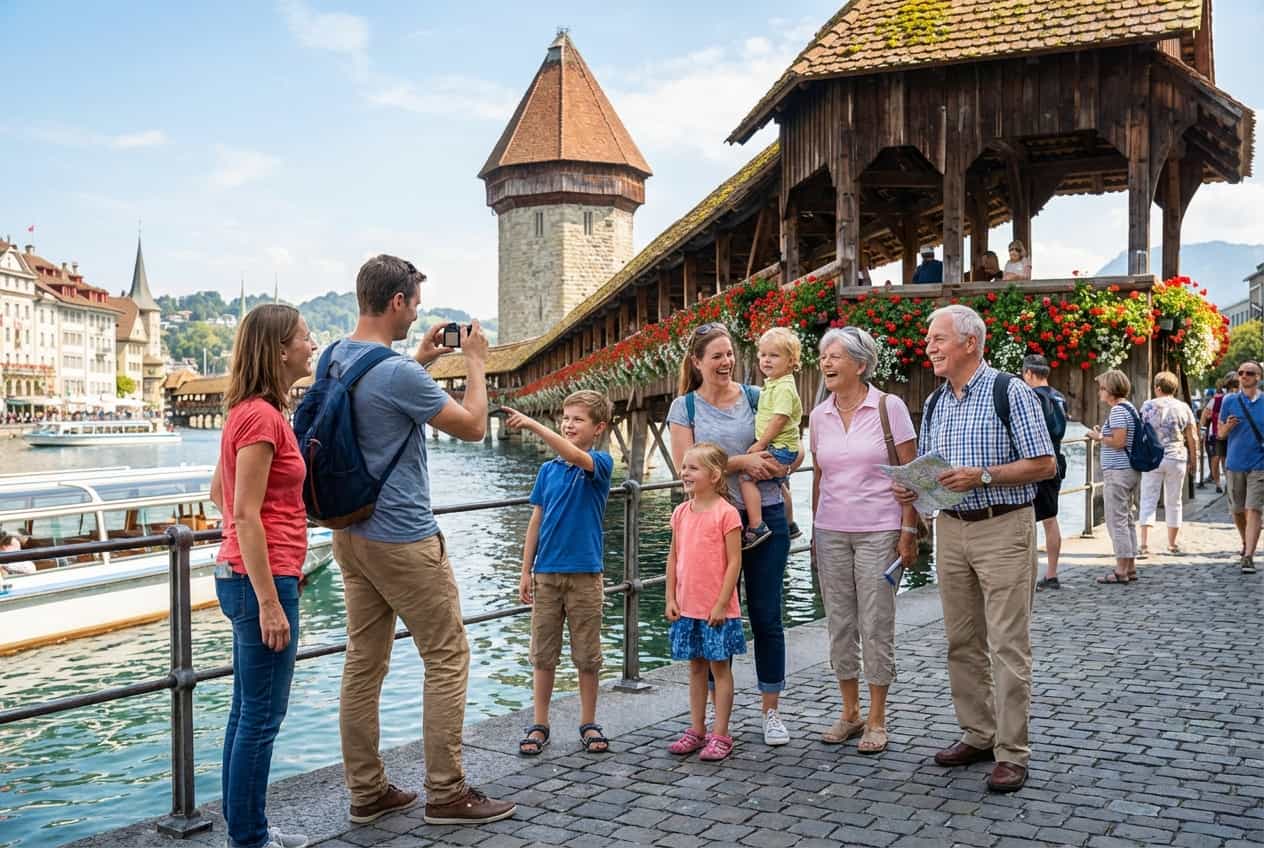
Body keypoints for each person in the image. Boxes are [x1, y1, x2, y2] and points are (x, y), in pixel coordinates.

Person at [329, 256, 515, 826]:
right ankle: (447, 792)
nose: (416, 311)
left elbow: (380, 396)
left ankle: (366, 791)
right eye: (413, 302)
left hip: (350, 534)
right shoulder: (398, 374)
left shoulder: (336, 358)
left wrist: (424, 360)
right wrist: (476, 364)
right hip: (404, 538)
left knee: (363, 663)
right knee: (447, 655)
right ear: (397, 304)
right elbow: (474, 425)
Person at [893, 304, 1054, 793]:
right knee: (961, 641)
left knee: (1007, 644)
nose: (929, 347)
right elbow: (936, 471)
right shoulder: (939, 401)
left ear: (970, 343)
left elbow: (1045, 464)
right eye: (928, 339)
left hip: (1003, 527)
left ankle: (1012, 752)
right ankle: (979, 734)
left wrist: (983, 475)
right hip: (952, 529)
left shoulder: (1013, 392)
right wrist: (914, 489)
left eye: (938, 338)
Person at [209, 303, 316, 848]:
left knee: (245, 713)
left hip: (244, 574)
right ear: (278, 350)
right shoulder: (262, 417)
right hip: (263, 580)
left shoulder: (249, 412)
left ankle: (246, 829)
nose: (311, 344)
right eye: (303, 336)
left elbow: (217, 493)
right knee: (261, 719)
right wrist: (272, 601)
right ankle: (249, 840)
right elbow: (244, 513)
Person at [667, 323, 793, 746]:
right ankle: (706, 726)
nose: (726, 362)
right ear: (697, 362)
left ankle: (770, 712)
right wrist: (741, 463)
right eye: (716, 355)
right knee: (706, 616)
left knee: (766, 615)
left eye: (730, 354)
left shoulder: (757, 397)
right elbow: (685, 464)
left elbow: (790, 443)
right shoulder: (684, 408)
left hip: (764, 519)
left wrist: (783, 462)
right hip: (709, 523)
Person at [810, 327, 918, 755]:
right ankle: (849, 712)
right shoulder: (819, 415)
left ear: (860, 363)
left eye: (835, 356)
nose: (826, 363)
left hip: (880, 529)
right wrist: (816, 531)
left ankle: (877, 717)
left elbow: (914, 476)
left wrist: (908, 532)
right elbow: (820, 476)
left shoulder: (890, 408)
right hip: (831, 529)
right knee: (839, 623)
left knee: (875, 624)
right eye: (823, 357)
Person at [505, 391, 615, 757]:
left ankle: (588, 721)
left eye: (577, 419)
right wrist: (525, 570)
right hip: (546, 575)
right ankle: (540, 722)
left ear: (598, 428)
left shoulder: (598, 463)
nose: (568, 424)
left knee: (587, 655)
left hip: (586, 575)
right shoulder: (546, 472)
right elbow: (535, 521)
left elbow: (574, 455)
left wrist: (534, 425)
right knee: (543, 654)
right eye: (565, 418)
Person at [664, 442, 745, 762]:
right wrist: (670, 596)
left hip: (716, 609)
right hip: (687, 606)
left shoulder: (727, 514)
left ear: (714, 475)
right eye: (684, 467)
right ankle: (696, 728)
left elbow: (734, 562)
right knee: (696, 668)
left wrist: (721, 603)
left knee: (719, 669)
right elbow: (673, 558)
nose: (685, 473)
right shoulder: (681, 512)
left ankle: (721, 733)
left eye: (692, 468)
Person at [740, 328, 803, 550]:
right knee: (778, 483)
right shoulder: (776, 384)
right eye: (763, 355)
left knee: (747, 478)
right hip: (784, 447)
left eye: (774, 355)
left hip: (778, 447)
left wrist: (760, 443)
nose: (766, 360)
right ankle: (791, 523)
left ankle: (756, 526)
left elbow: (779, 419)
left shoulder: (784, 387)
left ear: (791, 361)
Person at [1087, 369, 1141, 584]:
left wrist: (1099, 437)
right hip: (1128, 471)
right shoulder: (1129, 409)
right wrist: (1105, 434)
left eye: (1101, 388)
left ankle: (1121, 570)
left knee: (1115, 520)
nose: (1099, 392)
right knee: (1126, 519)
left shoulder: (1118, 411)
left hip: (1118, 472)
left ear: (1110, 390)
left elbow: (1119, 442)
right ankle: (1131, 566)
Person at [1021, 355, 1068, 590]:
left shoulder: (1032, 397)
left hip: (1036, 462)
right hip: (1056, 459)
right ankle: (1052, 572)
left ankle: (1031, 573)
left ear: (1029, 373)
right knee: (1051, 519)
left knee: (1026, 518)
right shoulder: (1058, 396)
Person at [1138, 371, 1198, 556]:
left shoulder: (1147, 406)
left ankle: (1145, 544)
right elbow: (1192, 436)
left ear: (1157, 387)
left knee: (1148, 499)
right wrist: (1194, 460)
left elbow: (1140, 432)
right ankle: (1172, 544)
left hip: (1153, 458)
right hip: (1176, 456)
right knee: (1174, 501)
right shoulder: (1183, 407)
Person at [1219, 360, 1264, 574]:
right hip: (1235, 463)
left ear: (1258, 378)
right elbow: (1219, 434)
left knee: (1253, 508)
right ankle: (1246, 540)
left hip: (1260, 464)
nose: (1244, 376)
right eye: (1241, 372)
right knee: (1237, 510)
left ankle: (1249, 556)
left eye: (1249, 373)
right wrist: (1227, 427)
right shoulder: (1229, 401)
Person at [1200, 373, 1237, 493]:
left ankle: (1228, 482)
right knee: (1216, 458)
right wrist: (1202, 431)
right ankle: (1218, 483)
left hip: (1232, 435)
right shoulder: (1217, 400)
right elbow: (1204, 416)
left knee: (1225, 460)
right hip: (1216, 434)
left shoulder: (1241, 398)